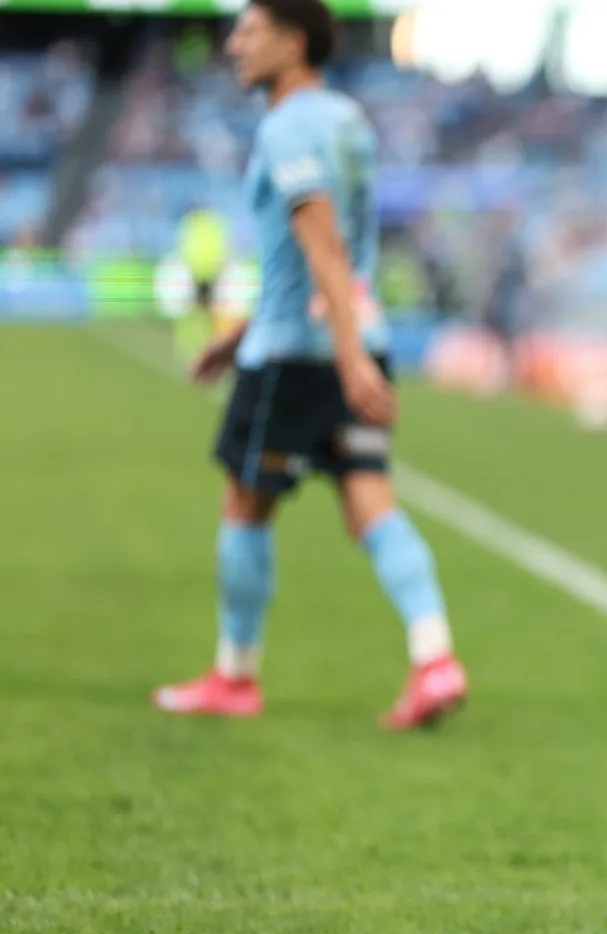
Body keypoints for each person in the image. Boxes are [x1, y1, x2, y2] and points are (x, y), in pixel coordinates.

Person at [153, 0, 467, 731]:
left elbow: (319, 242)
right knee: (370, 502)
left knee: (245, 503)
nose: (233, 44)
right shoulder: (348, 119)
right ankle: (435, 657)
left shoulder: (288, 126)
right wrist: (256, 339)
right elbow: (332, 254)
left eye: (249, 32)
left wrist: (343, 357)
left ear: (293, 44)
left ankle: (235, 676)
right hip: (357, 333)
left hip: (301, 355)